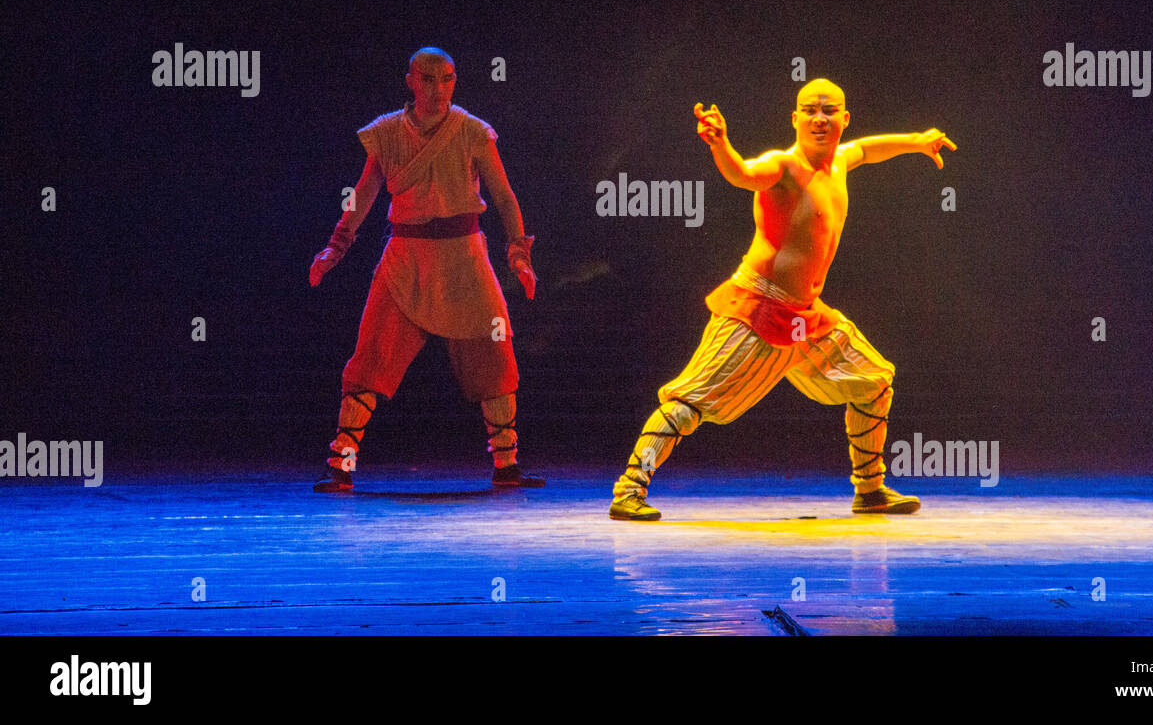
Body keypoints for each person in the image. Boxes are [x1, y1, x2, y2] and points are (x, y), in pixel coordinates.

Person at [609, 79, 956, 520]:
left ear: (843, 119)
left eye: (830, 111)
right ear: (794, 119)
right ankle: (629, 490)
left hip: (806, 319)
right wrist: (720, 144)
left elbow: (868, 149)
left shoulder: (840, 162)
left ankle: (869, 489)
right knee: (693, 399)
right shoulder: (782, 167)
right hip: (757, 310)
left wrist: (916, 141)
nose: (819, 118)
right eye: (810, 110)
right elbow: (742, 174)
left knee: (873, 381)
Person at [309, 47, 543, 492]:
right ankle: (342, 463)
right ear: (411, 80)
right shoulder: (386, 133)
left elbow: (504, 195)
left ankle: (506, 464)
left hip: (465, 261)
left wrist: (519, 253)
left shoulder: (473, 131)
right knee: (371, 356)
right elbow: (362, 196)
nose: (439, 88)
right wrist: (335, 247)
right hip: (406, 259)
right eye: (429, 79)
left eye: (448, 79)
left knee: (495, 354)